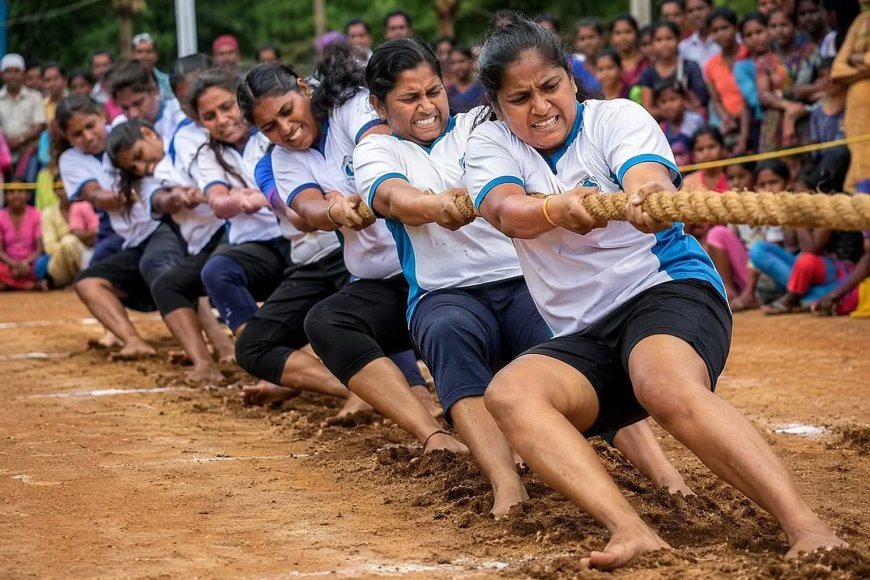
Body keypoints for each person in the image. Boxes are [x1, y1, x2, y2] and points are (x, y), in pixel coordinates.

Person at [464, 17, 843, 568]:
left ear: (571, 81)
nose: (541, 106)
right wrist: (555, 208)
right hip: (583, 334)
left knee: (663, 383)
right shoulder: (490, 143)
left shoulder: (618, 118)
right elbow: (505, 211)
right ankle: (630, 529)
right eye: (519, 98)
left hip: (664, 288)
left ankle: (805, 524)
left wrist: (645, 195)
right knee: (510, 393)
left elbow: (647, 176)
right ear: (498, 106)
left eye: (550, 87)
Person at [355, 36, 693, 516]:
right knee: (449, 336)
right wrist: (435, 205)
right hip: (444, 292)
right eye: (409, 99)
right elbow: (389, 197)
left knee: (582, 349)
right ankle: (505, 483)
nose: (427, 107)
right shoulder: (376, 151)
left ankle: (665, 474)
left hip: (524, 279)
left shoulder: (482, 126)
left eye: (433, 91)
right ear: (378, 104)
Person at [238, 48, 456, 447]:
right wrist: (336, 210)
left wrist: (365, 192)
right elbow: (306, 210)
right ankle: (431, 433)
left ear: (304, 88)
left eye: (287, 111)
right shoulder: (285, 160)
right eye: (269, 126)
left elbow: (377, 145)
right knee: (325, 323)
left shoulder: (350, 106)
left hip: (433, 267)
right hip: (377, 279)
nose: (284, 129)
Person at [58, 96, 185, 359]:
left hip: (163, 222)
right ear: (68, 138)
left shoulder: (125, 130)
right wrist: (141, 191)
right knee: (90, 280)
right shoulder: (70, 160)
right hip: (125, 232)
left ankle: (205, 340)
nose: (87, 136)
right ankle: (129, 339)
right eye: (77, 134)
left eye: (90, 126)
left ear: (101, 116)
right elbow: (98, 197)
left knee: (170, 268)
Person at [107, 119, 230, 383]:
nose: (141, 167)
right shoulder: (143, 182)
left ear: (149, 133)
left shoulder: (184, 144)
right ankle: (204, 364)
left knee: (222, 273)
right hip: (207, 243)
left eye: (139, 156)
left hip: (232, 231)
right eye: (133, 167)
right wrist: (179, 198)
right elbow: (161, 201)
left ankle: (235, 349)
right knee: (167, 285)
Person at [756, 158, 865, 314]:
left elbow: (811, 249)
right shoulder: (798, 208)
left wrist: (798, 215)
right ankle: (805, 296)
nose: (798, 200)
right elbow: (791, 246)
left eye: (802, 196)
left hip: (836, 270)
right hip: (807, 272)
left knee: (805, 260)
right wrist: (791, 213)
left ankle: (794, 297)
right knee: (759, 249)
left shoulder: (828, 211)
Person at [831, 4, 870, 195]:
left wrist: (855, 59)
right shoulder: (861, 21)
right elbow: (837, 70)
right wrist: (864, 65)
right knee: (860, 161)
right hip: (857, 109)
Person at [706, 7, 752, 154]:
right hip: (730, 124)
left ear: (736, 28)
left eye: (725, 28)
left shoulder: (750, 54)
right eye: (715, 30)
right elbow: (716, 100)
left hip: (755, 118)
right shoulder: (711, 65)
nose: (721, 34)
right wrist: (727, 118)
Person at [640, 20, 709, 117]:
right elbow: (647, 109)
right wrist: (669, 112)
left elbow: (700, 101)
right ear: (652, 44)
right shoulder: (648, 74)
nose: (664, 44)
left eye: (669, 38)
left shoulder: (690, 67)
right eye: (659, 40)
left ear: (678, 39)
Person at [109, 60, 186, 145]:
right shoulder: (119, 126)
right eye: (125, 108)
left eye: (138, 103)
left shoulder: (179, 112)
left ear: (154, 90)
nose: (133, 114)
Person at [41, 183, 98, 288]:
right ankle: (79, 280)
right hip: (60, 260)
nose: (65, 191)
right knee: (69, 242)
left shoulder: (83, 206)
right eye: (60, 188)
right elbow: (49, 247)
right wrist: (69, 250)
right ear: (55, 191)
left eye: (68, 186)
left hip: (87, 254)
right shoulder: (48, 213)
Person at [0, 54, 47, 181]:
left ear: (23, 74)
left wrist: (20, 140)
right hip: (3, 152)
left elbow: (40, 126)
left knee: (29, 188)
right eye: (8, 71)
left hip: (30, 152)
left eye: (17, 71)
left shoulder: (35, 97)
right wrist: (6, 143)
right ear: (1, 74)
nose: (13, 75)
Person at [0, 188, 47, 291]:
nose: (16, 195)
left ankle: (9, 285)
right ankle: (30, 286)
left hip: (31, 264)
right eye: (12, 192)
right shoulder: (0, 216)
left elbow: (40, 248)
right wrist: (13, 265)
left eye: (21, 191)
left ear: (28, 195)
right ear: (6, 196)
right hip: (8, 265)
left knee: (44, 263)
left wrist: (26, 263)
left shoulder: (36, 214)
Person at [609, 14, 650, 101]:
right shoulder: (608, 64)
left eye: (628, 32)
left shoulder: (647, 62)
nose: (623, 37)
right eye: (618, 33)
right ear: (611, 38)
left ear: (637, 34)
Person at [132, 33, 173, 100]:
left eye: (148, 51)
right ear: (133, 55)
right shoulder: (125, 82)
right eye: (139, 52)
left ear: (156, 56)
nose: (144, 56)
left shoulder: (167, 81)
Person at [447, 45, 485, 114]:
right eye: (453, 63)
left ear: (471, 61)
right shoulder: (449, 92)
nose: (457, 67)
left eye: (461, 61)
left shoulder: (482, 88)